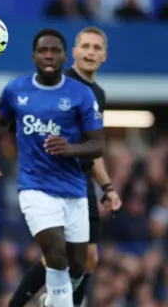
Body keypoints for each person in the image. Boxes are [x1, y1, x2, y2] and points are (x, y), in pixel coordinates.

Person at [0, 29, 105, 307]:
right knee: (55, 252)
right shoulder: (16, 90)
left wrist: (70, 148)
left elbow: (98, 145)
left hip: (74, 189)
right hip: (35, 187)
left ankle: (51, 303)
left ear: (62, 55)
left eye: (54, 50)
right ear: (34, 55)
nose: (48, 55)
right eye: (43, 50)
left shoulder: (81, 94)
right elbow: (1, 122)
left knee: (78, 266)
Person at [7, 27, 122, 306]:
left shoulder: (97, 94)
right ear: (74, 52)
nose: (90, 52)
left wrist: (107, 187)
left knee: (88, 260)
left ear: (104, 55)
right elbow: (17, 125)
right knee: (56, 257)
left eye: (97, 48)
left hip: (82, 185)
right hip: (50, 185)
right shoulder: (57, 83)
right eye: (85, 46)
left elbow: (93, 148)